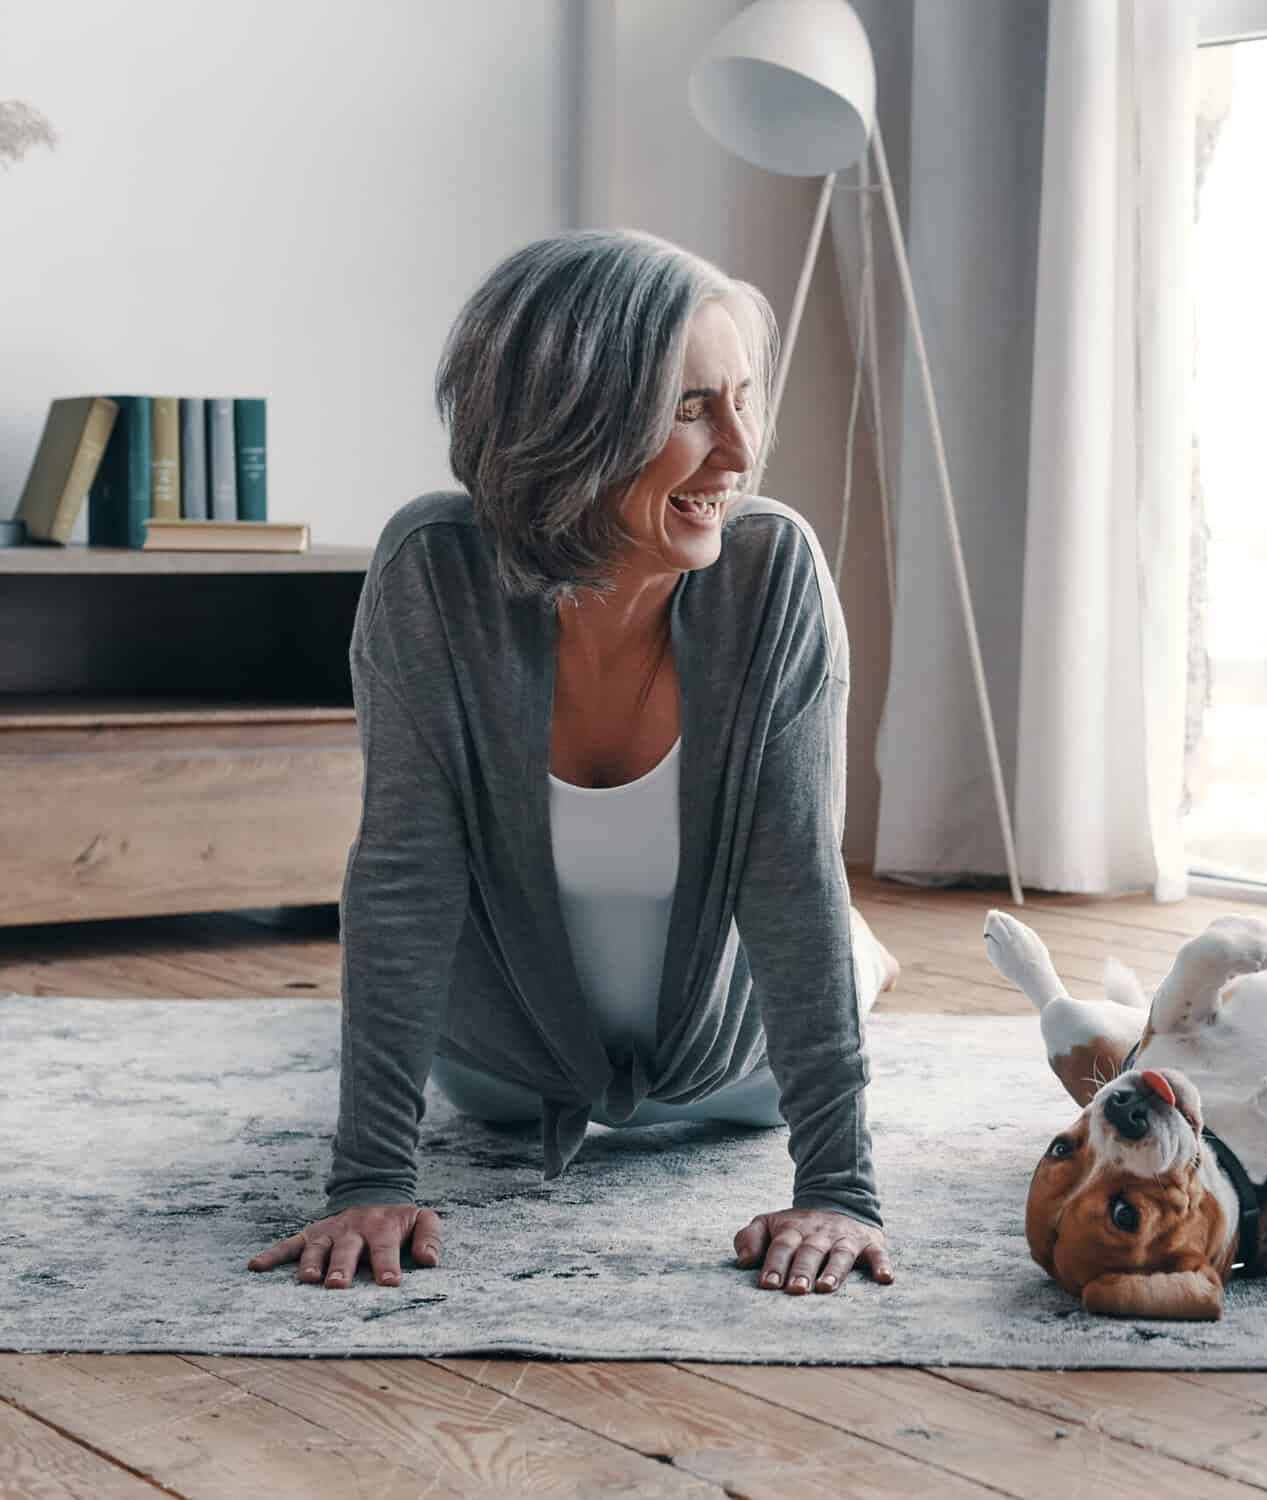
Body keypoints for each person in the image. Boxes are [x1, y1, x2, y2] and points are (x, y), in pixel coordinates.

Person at [249, 229, 898, 1299]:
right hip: (505, 1070)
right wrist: (367, 1174)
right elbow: (405, 875)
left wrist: (840, 1189)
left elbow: (792, 881)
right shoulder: (432, 572)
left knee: (823, 919)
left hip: (739, 1070)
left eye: (742, 399)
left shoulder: (772, 569)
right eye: (691, 408)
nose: (740, 452)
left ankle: (866, 965)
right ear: (571, 423)